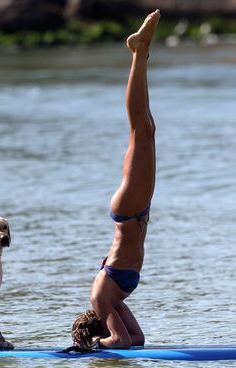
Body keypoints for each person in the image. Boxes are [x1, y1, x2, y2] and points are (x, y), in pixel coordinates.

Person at [72, 9, 160, 350]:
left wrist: (94, 346)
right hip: (136, 211)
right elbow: (135, 340)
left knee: (141, 129)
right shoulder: (113, 302)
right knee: (147, 128)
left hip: (130, 210)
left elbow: (119, 342)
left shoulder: (100, 301)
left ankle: (139, 50)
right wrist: (109, 341)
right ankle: (140, 53)